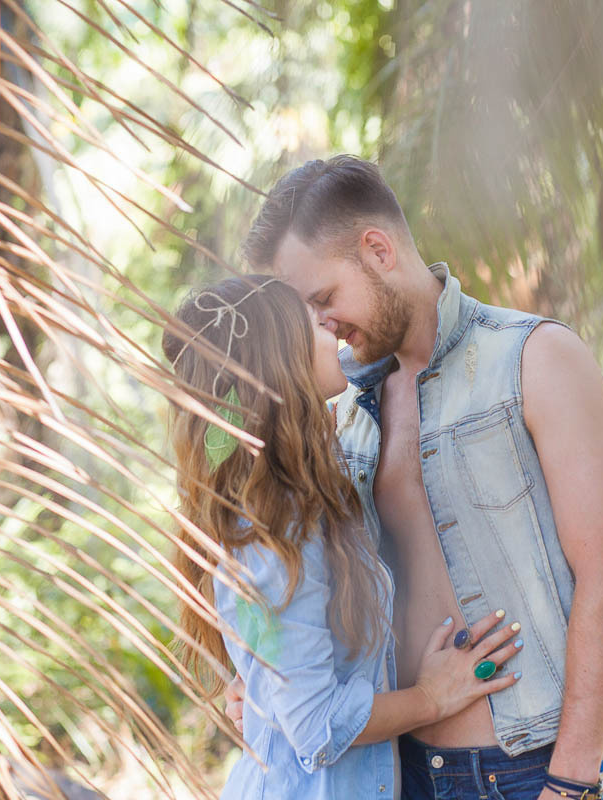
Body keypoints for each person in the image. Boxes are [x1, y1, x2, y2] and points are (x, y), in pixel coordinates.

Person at [227, 156, 603, 800]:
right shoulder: (339, 413)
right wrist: (262, 672)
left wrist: (572, 782)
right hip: (395, 775)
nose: (322, 325)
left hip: (527, 773)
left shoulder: (535, 358)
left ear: (378, 250)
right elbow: (287, 569)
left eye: (324, 299)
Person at [163, 275, 525, 800]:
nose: (330, 325)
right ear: (281, 360)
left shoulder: (299, 493)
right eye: (313, 321)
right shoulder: (275, 526)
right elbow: (316, 726)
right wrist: (431, 698)